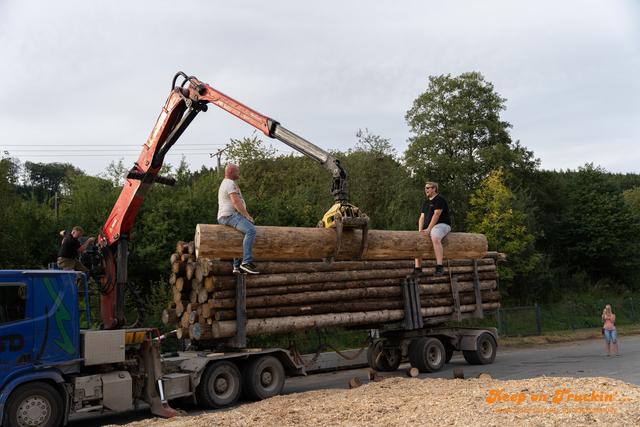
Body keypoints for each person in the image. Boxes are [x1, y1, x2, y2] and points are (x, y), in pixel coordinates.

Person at [217, 164, 259, 275]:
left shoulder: (226, 183)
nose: (239, 172)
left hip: (226, 216)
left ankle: (237, 266)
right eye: (237, 171)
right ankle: (246, 262)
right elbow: (236, 201)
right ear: (230, 172)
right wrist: (247, 216)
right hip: (230, 215)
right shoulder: (230, 183)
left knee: (240, 236)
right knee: (251, 230)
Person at [407, 182, 451, 279]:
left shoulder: (439, 199)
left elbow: (437, 214)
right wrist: (420, 231)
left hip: (441, 225)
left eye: (427, 188)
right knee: (418, 241)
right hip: (428, 228)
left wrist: (429, 229)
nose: (425, 190)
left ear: (434, 189)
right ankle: (418, 268)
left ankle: (440, 266)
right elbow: (422, 217)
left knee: (435, 238)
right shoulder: (426, 203)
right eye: (425, 188)